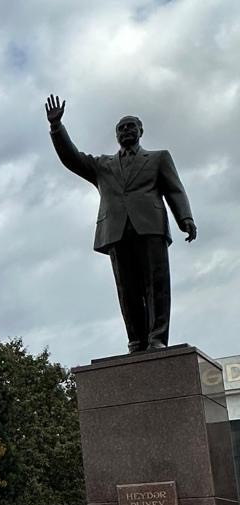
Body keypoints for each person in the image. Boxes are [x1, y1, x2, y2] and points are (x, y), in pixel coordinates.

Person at [45, 95, 196, 353]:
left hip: (151, 227)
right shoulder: (103, 165)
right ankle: (136, 340)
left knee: (157, 285)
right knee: (127, 290)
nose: (126, 130)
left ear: (140, 131)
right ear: (116, 135)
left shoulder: (158, 158)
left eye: (130, 126)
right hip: (116, 231)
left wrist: (185, 218)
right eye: (121, 128)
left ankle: (157, 338)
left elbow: (174, 189)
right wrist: (56, 127)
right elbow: (72, 158)